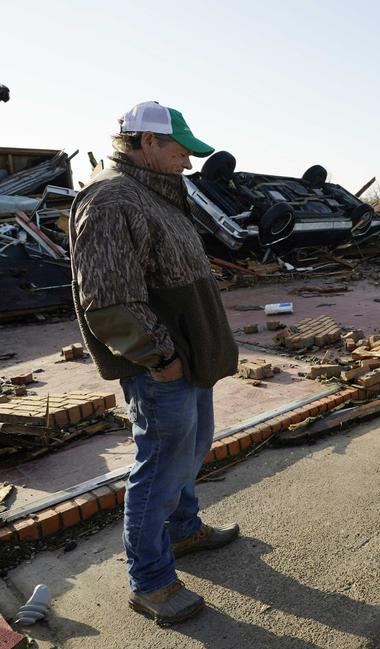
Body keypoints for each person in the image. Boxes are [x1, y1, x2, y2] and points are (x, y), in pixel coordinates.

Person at [69, 101, 241, 624]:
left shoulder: (155, 193)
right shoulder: (112, 199)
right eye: (181, 151)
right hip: (164, 366)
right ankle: (150, 582)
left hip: (191, 360)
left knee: (191, 450)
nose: (189, 163)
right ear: (147, 142)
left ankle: (183, 531)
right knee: (160, 471)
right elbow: (108, 299)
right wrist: (160, 357)